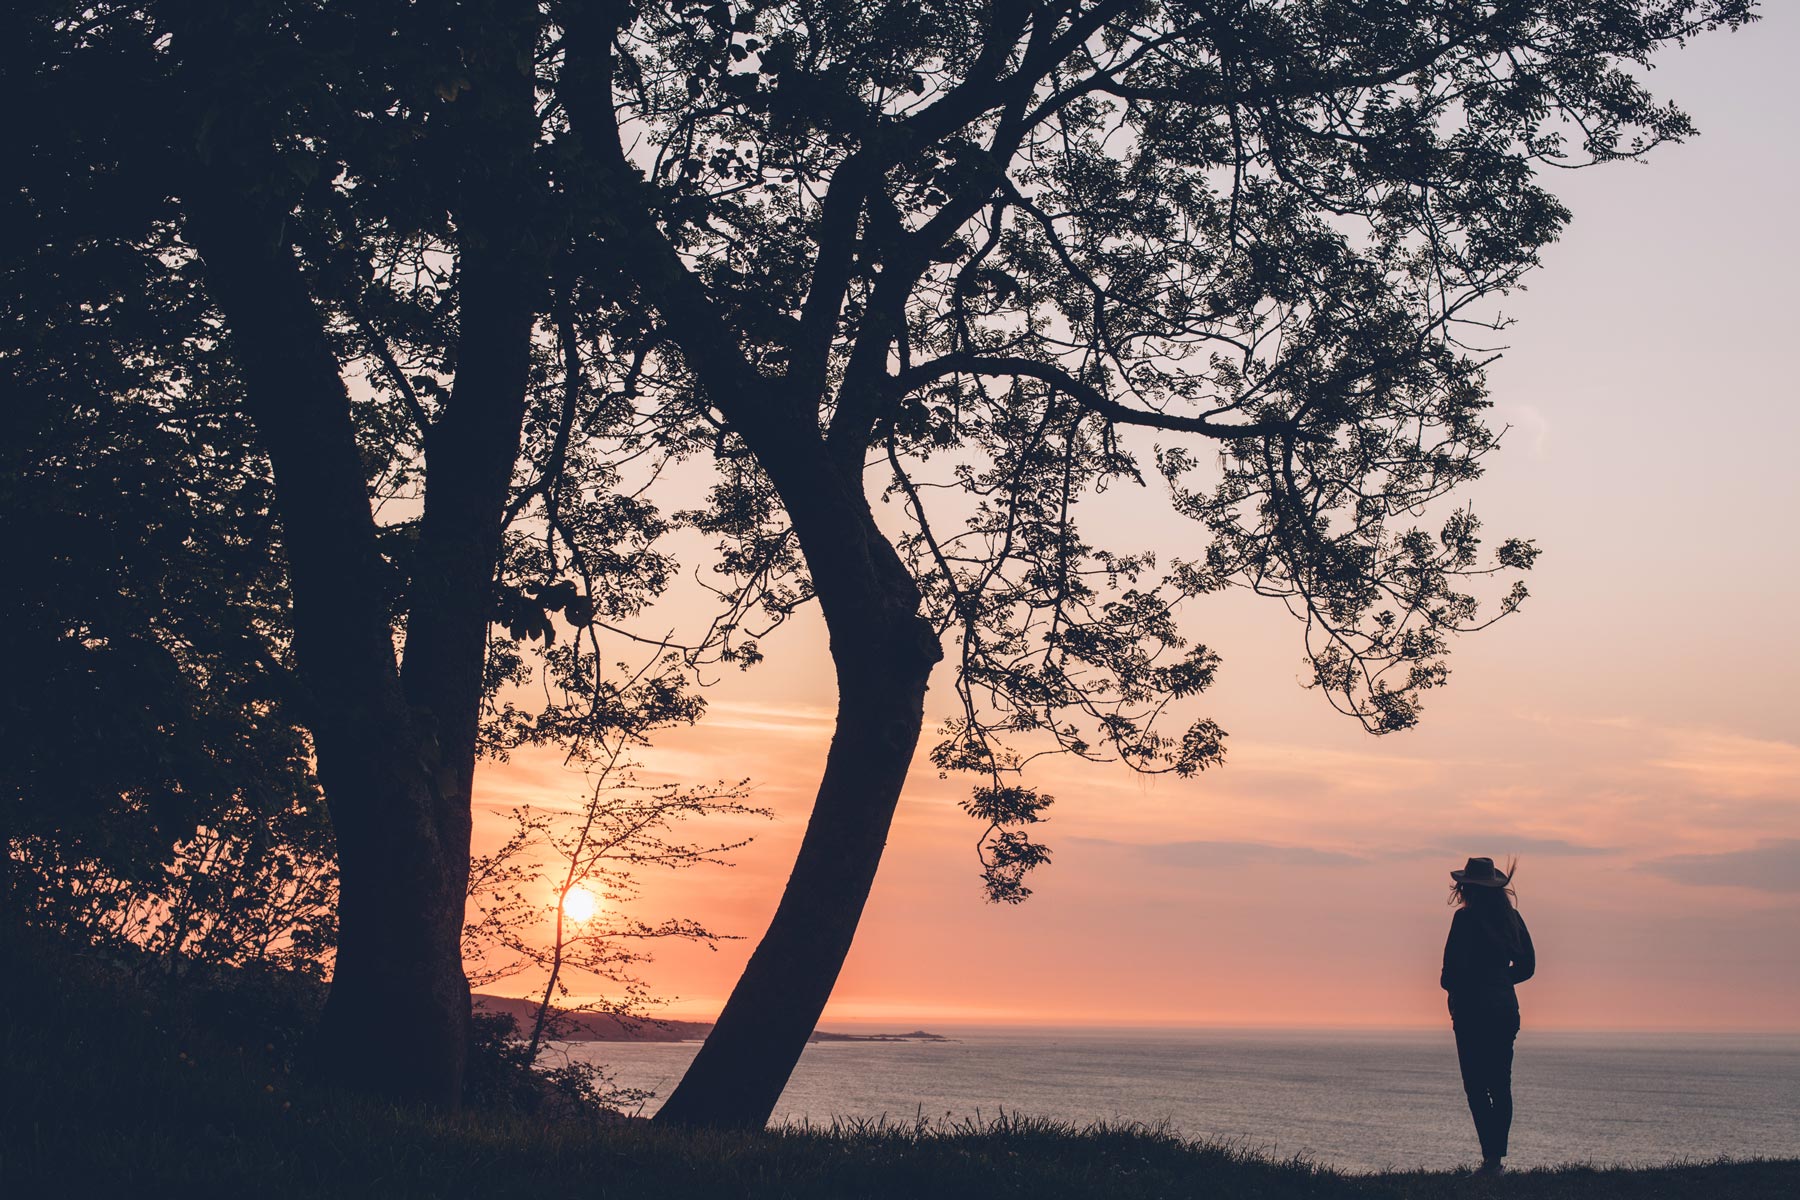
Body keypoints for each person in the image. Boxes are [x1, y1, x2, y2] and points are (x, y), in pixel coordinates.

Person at [1441, 856, 1535, 1175]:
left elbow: (1448, 974)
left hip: (1471, 1011)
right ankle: (1495, 1161)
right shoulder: (1512, 919)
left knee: (1477, 1086)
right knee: (1500, 1084)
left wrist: (1468, 984)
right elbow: (1527, 967)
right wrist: (1498, 980)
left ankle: (1491, 1161)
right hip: (1504, 1009)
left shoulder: (1464, 920)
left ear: (1466, 887)